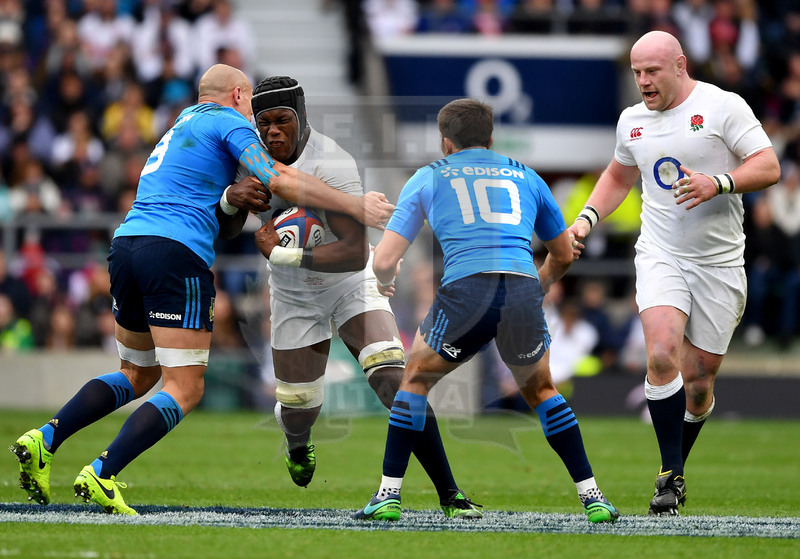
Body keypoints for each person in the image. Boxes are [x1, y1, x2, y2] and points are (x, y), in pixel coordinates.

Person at [9, 64, 393, 515]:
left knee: (137, 374)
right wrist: (357, 205)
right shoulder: (228, 120)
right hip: (174, 253)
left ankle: (44, 439)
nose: (255, 118)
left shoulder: (179, 124)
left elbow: (214, 197)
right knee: (186, 387)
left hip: (127, 244)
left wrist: (230, 197)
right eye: (251, 104)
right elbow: (278, 179)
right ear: (237, 94)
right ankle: (102, 472)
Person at [354, 98, 619, 524]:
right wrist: (542, 282)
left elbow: (385, 259)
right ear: (491, 138)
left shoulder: (427, 177)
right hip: (520, 290)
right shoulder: (528, 176)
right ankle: (593, 497)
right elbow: (565, 252)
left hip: (467, 289)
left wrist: (384, 282)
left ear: (446, 142)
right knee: (542, 391)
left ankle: (388, 494)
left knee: (415, 380)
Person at [228, 76, 481, 518]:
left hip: (347, 282)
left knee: (394, 378)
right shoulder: (247, 158)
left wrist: (282, 254)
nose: (272, 132)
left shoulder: (332, 162)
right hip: (293, 297)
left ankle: (450, 493)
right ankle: (297, 445)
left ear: (301, 118)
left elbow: (348, 255)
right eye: (263, 122)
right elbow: (225, 227)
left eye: (282, 120)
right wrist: (231, 200)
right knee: (299, 406)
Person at [567, 31, 781, 516]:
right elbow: (619, 175)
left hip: (720, 263)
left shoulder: (723, 106)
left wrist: (718, 182)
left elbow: (768, 166)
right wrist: (585, 218)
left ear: (680, 65)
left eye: (652, 71)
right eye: (636, 72)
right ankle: (670, 474)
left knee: (699, 382)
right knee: (662, 353)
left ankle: (677, 461)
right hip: (661, 252)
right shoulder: (632, 121)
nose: (643, 81)